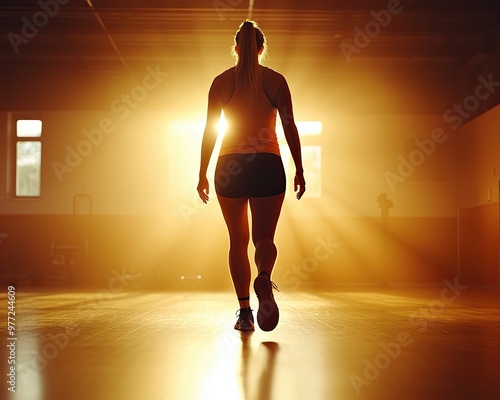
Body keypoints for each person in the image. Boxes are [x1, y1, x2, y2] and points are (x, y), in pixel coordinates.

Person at [197, 20, 305, 332]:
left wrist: (202, 173)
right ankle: (264, 277)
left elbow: (209, 131)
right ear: (260, 49)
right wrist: (299, 168)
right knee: (264, 239)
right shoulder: (276, 81)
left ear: (236, 48)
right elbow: (289, 127)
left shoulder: (220, 82)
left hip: (229, 166)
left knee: (237, 241)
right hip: (267, 165)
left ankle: (245, 313)